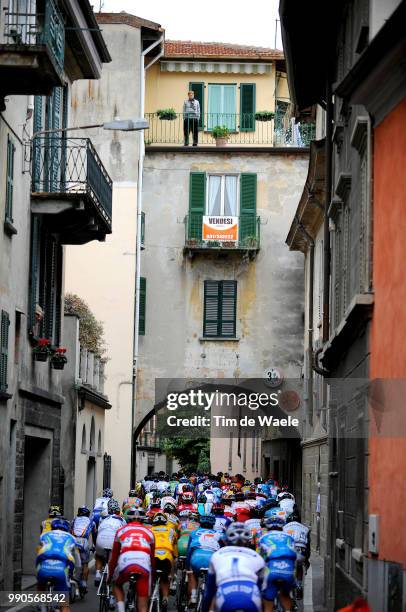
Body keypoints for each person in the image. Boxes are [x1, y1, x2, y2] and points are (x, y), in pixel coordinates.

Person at [202, 523, 265, 612]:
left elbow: (209, 590)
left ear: (226, 539)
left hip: (225, 592)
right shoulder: (257, 556)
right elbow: (262, 587)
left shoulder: (217, 554)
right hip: (251, 593)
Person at [108, 507, 155, 612]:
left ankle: (120, 609)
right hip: (144, 565)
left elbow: (114, 557)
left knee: (116, 584)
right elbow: (152, 559)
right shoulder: (149, 532)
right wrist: (153, 578)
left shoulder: (121, 531)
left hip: (125, 562)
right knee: (143, 607)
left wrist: (110, 576)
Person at [36, 518, 76, 612]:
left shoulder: (45, 535)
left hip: (44, 566)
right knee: (64, 605)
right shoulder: (71, 538)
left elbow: (39, 552)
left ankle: (41, 605)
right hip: (61, 570)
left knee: (40, 584)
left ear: (52, 527)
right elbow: (74, 560)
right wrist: (71, 574)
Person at [259, 516, 297, 612]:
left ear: (267, 527)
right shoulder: (289, 537)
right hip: (288, 569)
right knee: (286, 594)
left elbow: (259, 557)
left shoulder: (263, 537)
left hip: (272, 570)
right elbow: (295, 554)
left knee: (267, 598)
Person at [186, 514, 222, 605]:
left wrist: (187, 567)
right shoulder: (219, 534)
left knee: (192, 573)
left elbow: (189, 551)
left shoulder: (194, 533)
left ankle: (193, 596)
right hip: (212, 559)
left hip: (196, 558)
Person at [94, 499, 126, 586]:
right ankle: (115, 577)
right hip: (113, 541)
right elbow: (124, 535)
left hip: (101, 539)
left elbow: (97, 531)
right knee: (117, 557)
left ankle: (97, 574)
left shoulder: (103, 519)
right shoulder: (122, 520)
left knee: (98, 555)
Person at [150, 512, 178, 609]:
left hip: (153, 555)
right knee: (165, 577)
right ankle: (165, 597)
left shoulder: (150, 530)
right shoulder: (171, 530)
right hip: (167, 555)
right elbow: (175, 553)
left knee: (149, 575)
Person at [283, 510, 310, 600]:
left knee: (286, 567)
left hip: (289, 552)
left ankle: (287, 586)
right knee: (299, 567)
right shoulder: (304, 528)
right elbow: (308, 546)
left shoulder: (284, 528)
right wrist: (306, 560)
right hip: (301, 552)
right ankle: (299, 586)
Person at [71, 506, 95, 592]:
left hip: (73, 541)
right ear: (88, 513)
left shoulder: (74, 520)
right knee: (85, 564)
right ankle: (84, 583)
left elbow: (70, 530)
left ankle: (70, 579)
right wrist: (94, 545)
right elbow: (94, 535)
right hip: (84, 542)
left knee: (71, 561)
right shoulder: (91, 521)